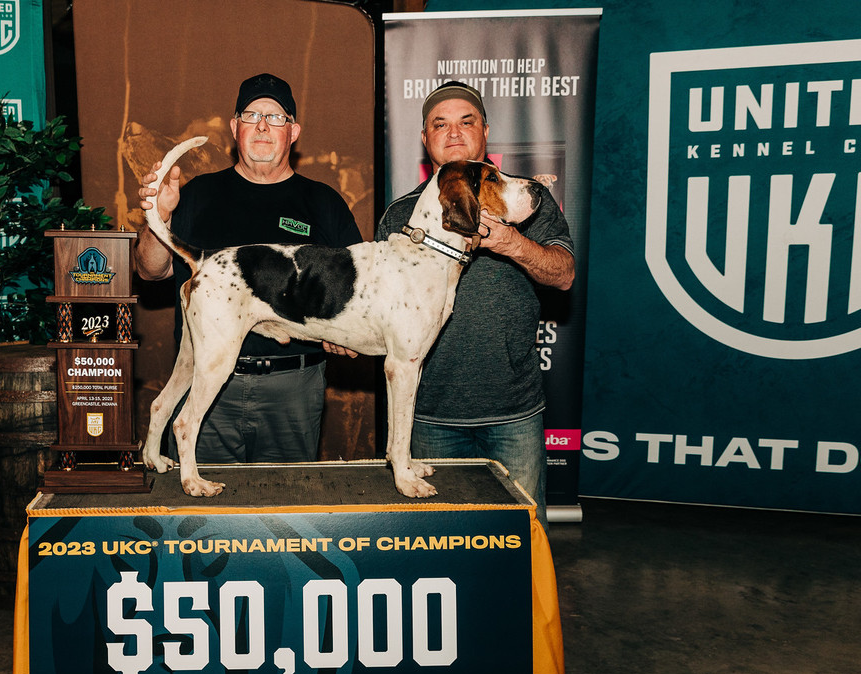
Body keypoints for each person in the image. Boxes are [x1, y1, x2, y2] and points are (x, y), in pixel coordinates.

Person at [134, 72, 363, 464]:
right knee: (196, 502)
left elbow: (356, 293)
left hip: (293, 389)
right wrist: (161, 215)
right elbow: (150, 271)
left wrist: (346, 331)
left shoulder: (324, 203)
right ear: (234, 127)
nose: (262, 126)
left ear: (293, 132)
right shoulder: (195, 194)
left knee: (291, 504)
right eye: (251, 115)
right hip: (208, 390)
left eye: (275, 117)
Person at [376, 81, 575, 526]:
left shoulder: (525, 201)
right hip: (429, 417)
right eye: (439, 124)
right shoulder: (400, 214)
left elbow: (564, 275)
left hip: (513, 414)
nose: (453, 133)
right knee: (435, 544)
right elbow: (378, 311)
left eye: (466, 122)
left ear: (485, 132)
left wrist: (511, 243)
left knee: (523, 541)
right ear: (425, 139)